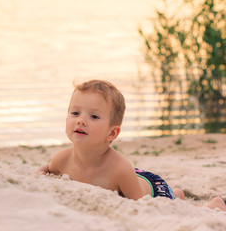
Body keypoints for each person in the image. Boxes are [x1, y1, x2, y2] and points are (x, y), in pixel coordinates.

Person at [37, 79, 226, 211]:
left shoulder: (119, 168)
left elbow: (145, 206)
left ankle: (210, 205)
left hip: (152, 187)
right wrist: (36, 174)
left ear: (112, 133)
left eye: (93, 116)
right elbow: (48, 168)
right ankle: (177, 193)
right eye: (75, 113)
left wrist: (167, 199)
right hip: (133, 177)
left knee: (168, 205)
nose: (81, 121)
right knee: (169, 194)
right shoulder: (62, 159)